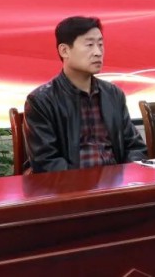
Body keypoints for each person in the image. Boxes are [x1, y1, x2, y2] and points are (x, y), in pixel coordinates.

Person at [24, 16, 146, 172]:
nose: (98, 52)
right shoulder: (41, 100)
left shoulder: (113, 94)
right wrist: (85, 183)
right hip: (71, 183)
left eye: (100, 44)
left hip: (115, 182)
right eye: (89, 45)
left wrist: (127, 177)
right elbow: (47, 162)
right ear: (64, 50)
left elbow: (135, 147)